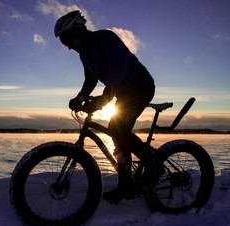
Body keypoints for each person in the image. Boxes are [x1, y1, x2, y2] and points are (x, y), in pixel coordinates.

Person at [54, 10, 156, 204]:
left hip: (140, 87)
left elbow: (119, 66)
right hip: (123, 92)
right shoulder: (84, 54)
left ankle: (151, 164)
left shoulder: (104, 38)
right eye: (63, 43)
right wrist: (80, 97)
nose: (67, 47)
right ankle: (126, 185)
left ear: (78, 32)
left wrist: (105, 98)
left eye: (67, 40)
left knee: (117, 128)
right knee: (118, 133)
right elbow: (90, 79)